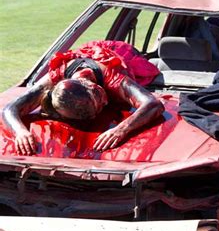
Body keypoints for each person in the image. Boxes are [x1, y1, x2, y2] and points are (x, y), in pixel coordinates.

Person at [2, 40, 164, 156]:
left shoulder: (112, 76)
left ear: (92, 85)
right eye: (100, 106)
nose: (106, 101)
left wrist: (121, 130)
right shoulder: (55, 78)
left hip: (121, 53)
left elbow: (153, 104)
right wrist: (20, 132)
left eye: (101, 99)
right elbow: (10, 109)